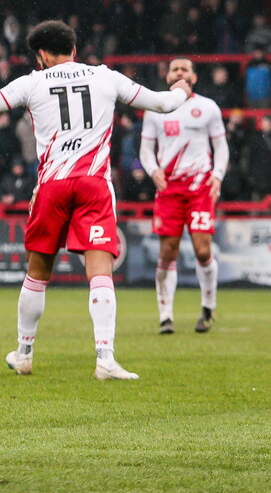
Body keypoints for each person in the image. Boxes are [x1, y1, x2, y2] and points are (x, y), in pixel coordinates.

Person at [4, 20, 192, 380]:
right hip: (93, 184)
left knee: (38, 272)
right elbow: (162, 104)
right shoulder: (105, 76)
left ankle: (24, 353)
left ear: (41, 55)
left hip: (52, 185)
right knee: (99, 272)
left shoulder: (31, 82)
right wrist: (182, 89)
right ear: (74, 49)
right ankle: (105, 358)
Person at [139, 58, 229, 335]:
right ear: (167, 76)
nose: (179, 73)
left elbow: (221, 147)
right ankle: (166, 316)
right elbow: (145, 150)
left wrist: (217, 176)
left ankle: (207, 307)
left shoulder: (208, 107)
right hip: (169, 189)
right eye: (175, 69)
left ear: (194, 77)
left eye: (185, 69)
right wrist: (153, 171)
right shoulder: (156, 109)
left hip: (200, 187)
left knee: (203, 249)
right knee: (168, 251)